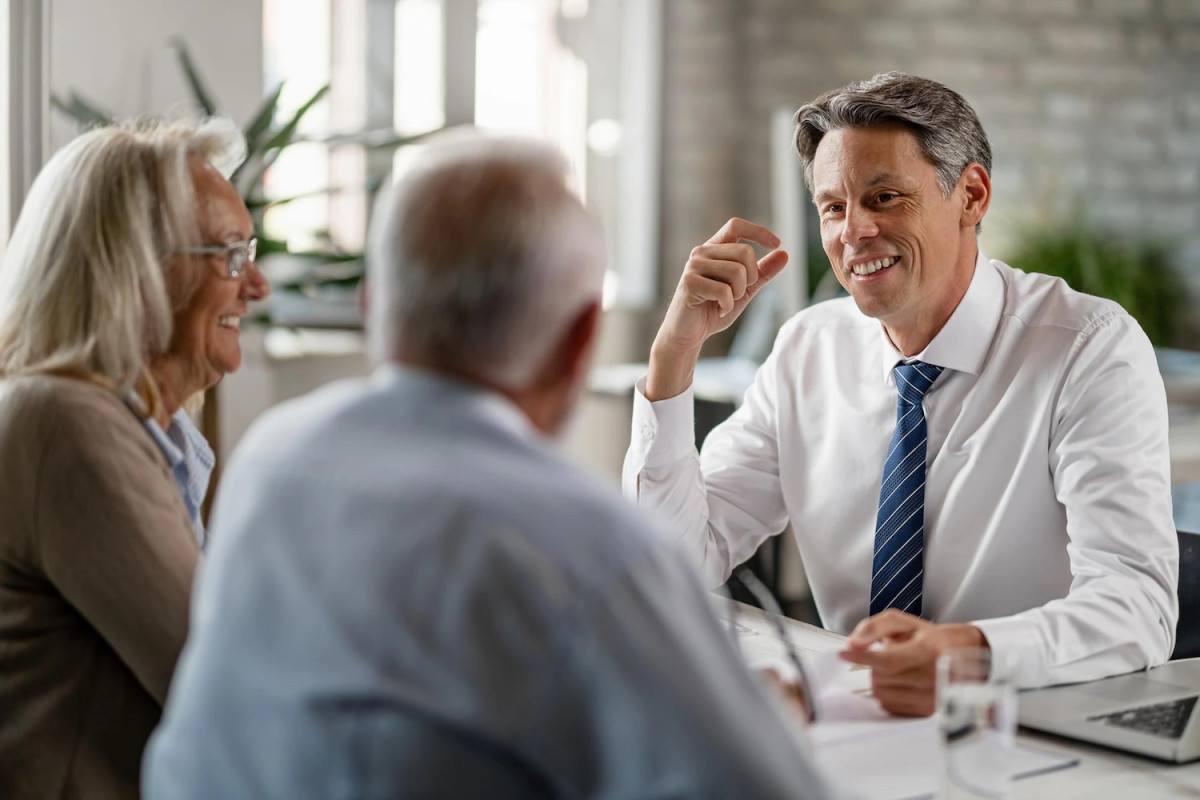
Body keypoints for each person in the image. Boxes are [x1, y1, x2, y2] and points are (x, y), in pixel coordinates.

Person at [143, 134, 842, 799]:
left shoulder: (273, 457)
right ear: (579, 345)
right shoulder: (585, 543)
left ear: (372, 305)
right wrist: (768, 720)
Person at [624, 72, 1178, 715]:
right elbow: (670, 562)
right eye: (833, 207)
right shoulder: (808, 346)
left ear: (971, 195)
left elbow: (1137, 604)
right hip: (854, 722)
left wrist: (971, 654)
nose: (853, 232)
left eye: (884, 197)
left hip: (1023, 728)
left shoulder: (1088, 347)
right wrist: (673, 355)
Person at [0, 119, 270, 799]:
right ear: (139, 267)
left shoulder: (131, 426)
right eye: (231, 254)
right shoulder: (66, 424)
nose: (256, 284)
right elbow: (222, 687)